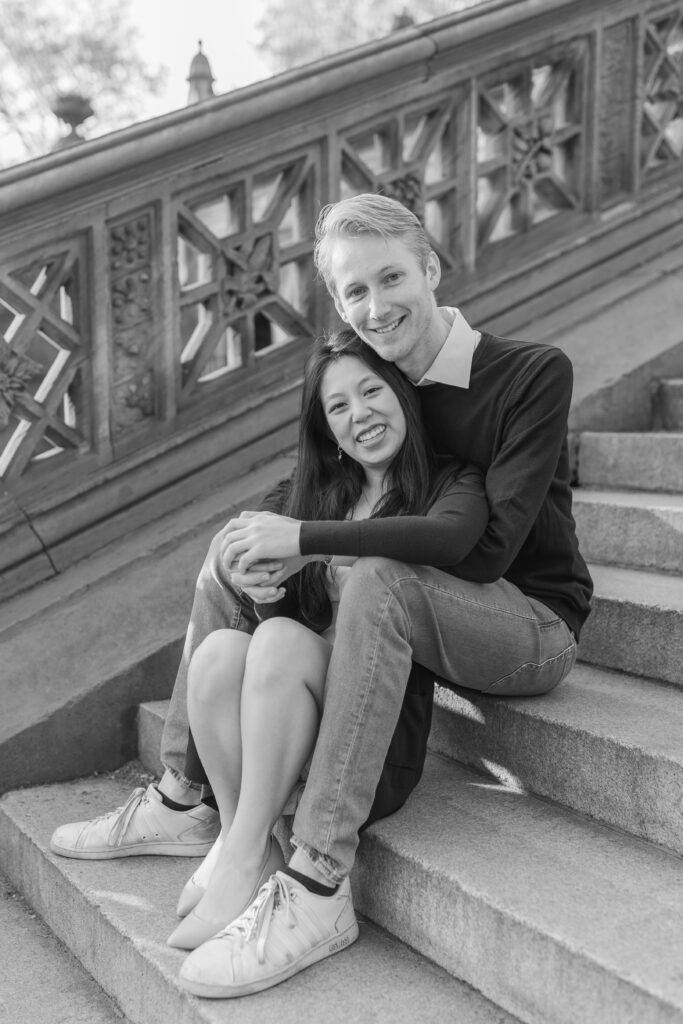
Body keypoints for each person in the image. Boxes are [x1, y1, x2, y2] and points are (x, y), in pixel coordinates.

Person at [51, 192, 592, 999]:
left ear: (431, 270)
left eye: (390, 278)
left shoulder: (525, 375)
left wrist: (305, 543)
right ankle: (181, 795)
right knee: (233, 547)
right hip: (413, 602)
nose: (376, 307)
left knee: (370, 572)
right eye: (353, 293)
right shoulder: (377, 385)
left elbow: (482, 551)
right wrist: (263, 560)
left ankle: (316, 880)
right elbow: (329, 495)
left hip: (524, 618)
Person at [163, 329, 487, 955]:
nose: (360, 414)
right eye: (338, 406)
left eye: (371, 391)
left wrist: (309, 543)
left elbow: (451, 539)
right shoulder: (310, 494)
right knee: (221, 652)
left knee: (281, 641)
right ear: (326, 429)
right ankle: (241, 839)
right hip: (277, 735)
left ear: (401, 394)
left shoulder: (450, 483)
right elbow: (274, 600)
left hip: (364, 747)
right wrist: (258, 584)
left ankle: (244, 852)